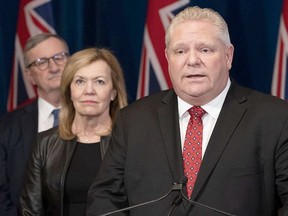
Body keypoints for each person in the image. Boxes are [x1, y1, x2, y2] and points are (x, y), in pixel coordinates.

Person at [86, 6, 288, 216]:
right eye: (180, 51)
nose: (192, 61)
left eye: (205, 50)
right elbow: (105, 199)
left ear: (228, 56)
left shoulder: (275, 118)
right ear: (167, 58)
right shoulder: (133, 120)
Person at [20, 47, 128, 216]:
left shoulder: (131, 142)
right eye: (80, 81)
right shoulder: (45, 144)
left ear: (113, 92)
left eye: (99, 81)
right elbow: (29, 210)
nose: (89, 90)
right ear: (69, 91)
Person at [0, 33, 69, 216]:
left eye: (59, 57)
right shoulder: (6, 127)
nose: (54, 67)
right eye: (42, 62)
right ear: (30, 76)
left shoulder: (96, 116)